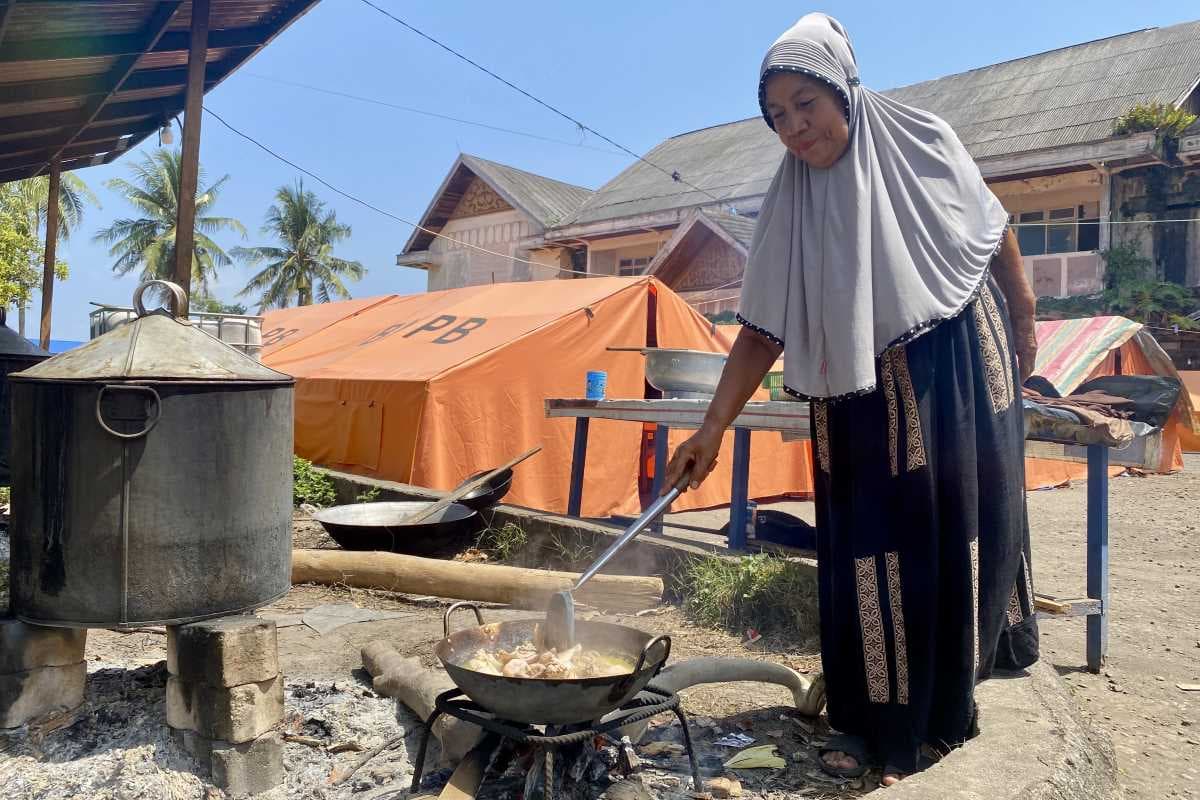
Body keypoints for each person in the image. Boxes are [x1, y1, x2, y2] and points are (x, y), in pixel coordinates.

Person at [663, 13, 1040, 785]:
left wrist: (1026, 327)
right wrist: (710, 429)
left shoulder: (922, 140)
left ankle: (942, 715)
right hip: (854, 396)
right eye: (778, 117)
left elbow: (992, 230)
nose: (796, 128)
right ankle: (872, 722)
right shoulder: (790, 203)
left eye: (807, 103)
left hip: (953, 370)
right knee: (864, 548)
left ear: (843, 88)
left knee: (949, 529)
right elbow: (762, 330)